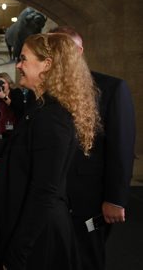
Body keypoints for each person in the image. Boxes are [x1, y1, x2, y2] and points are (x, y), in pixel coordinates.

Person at [0, 33, 100, 269]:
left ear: (47, 65)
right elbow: (14, 147)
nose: (19, 65)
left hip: (40, 237)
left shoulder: (51, 118)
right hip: (35, 230)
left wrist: (17, 254)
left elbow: (44, 194)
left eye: (23, 59)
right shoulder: (41, 108)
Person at [50, 26, 136, 270]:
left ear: (80, 51)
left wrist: (115, 199)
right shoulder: (47, 91)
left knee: (88, 256)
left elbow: (121, 148)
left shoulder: (112, 88)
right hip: (55, 197)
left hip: (91, 200)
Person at [0, 72, 25, 138]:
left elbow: (18, 108)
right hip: (2, 129)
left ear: (8, 83)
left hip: (16, 129)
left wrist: (4, 96)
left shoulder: (16, 92)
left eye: (3, 83)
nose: (1, 85)